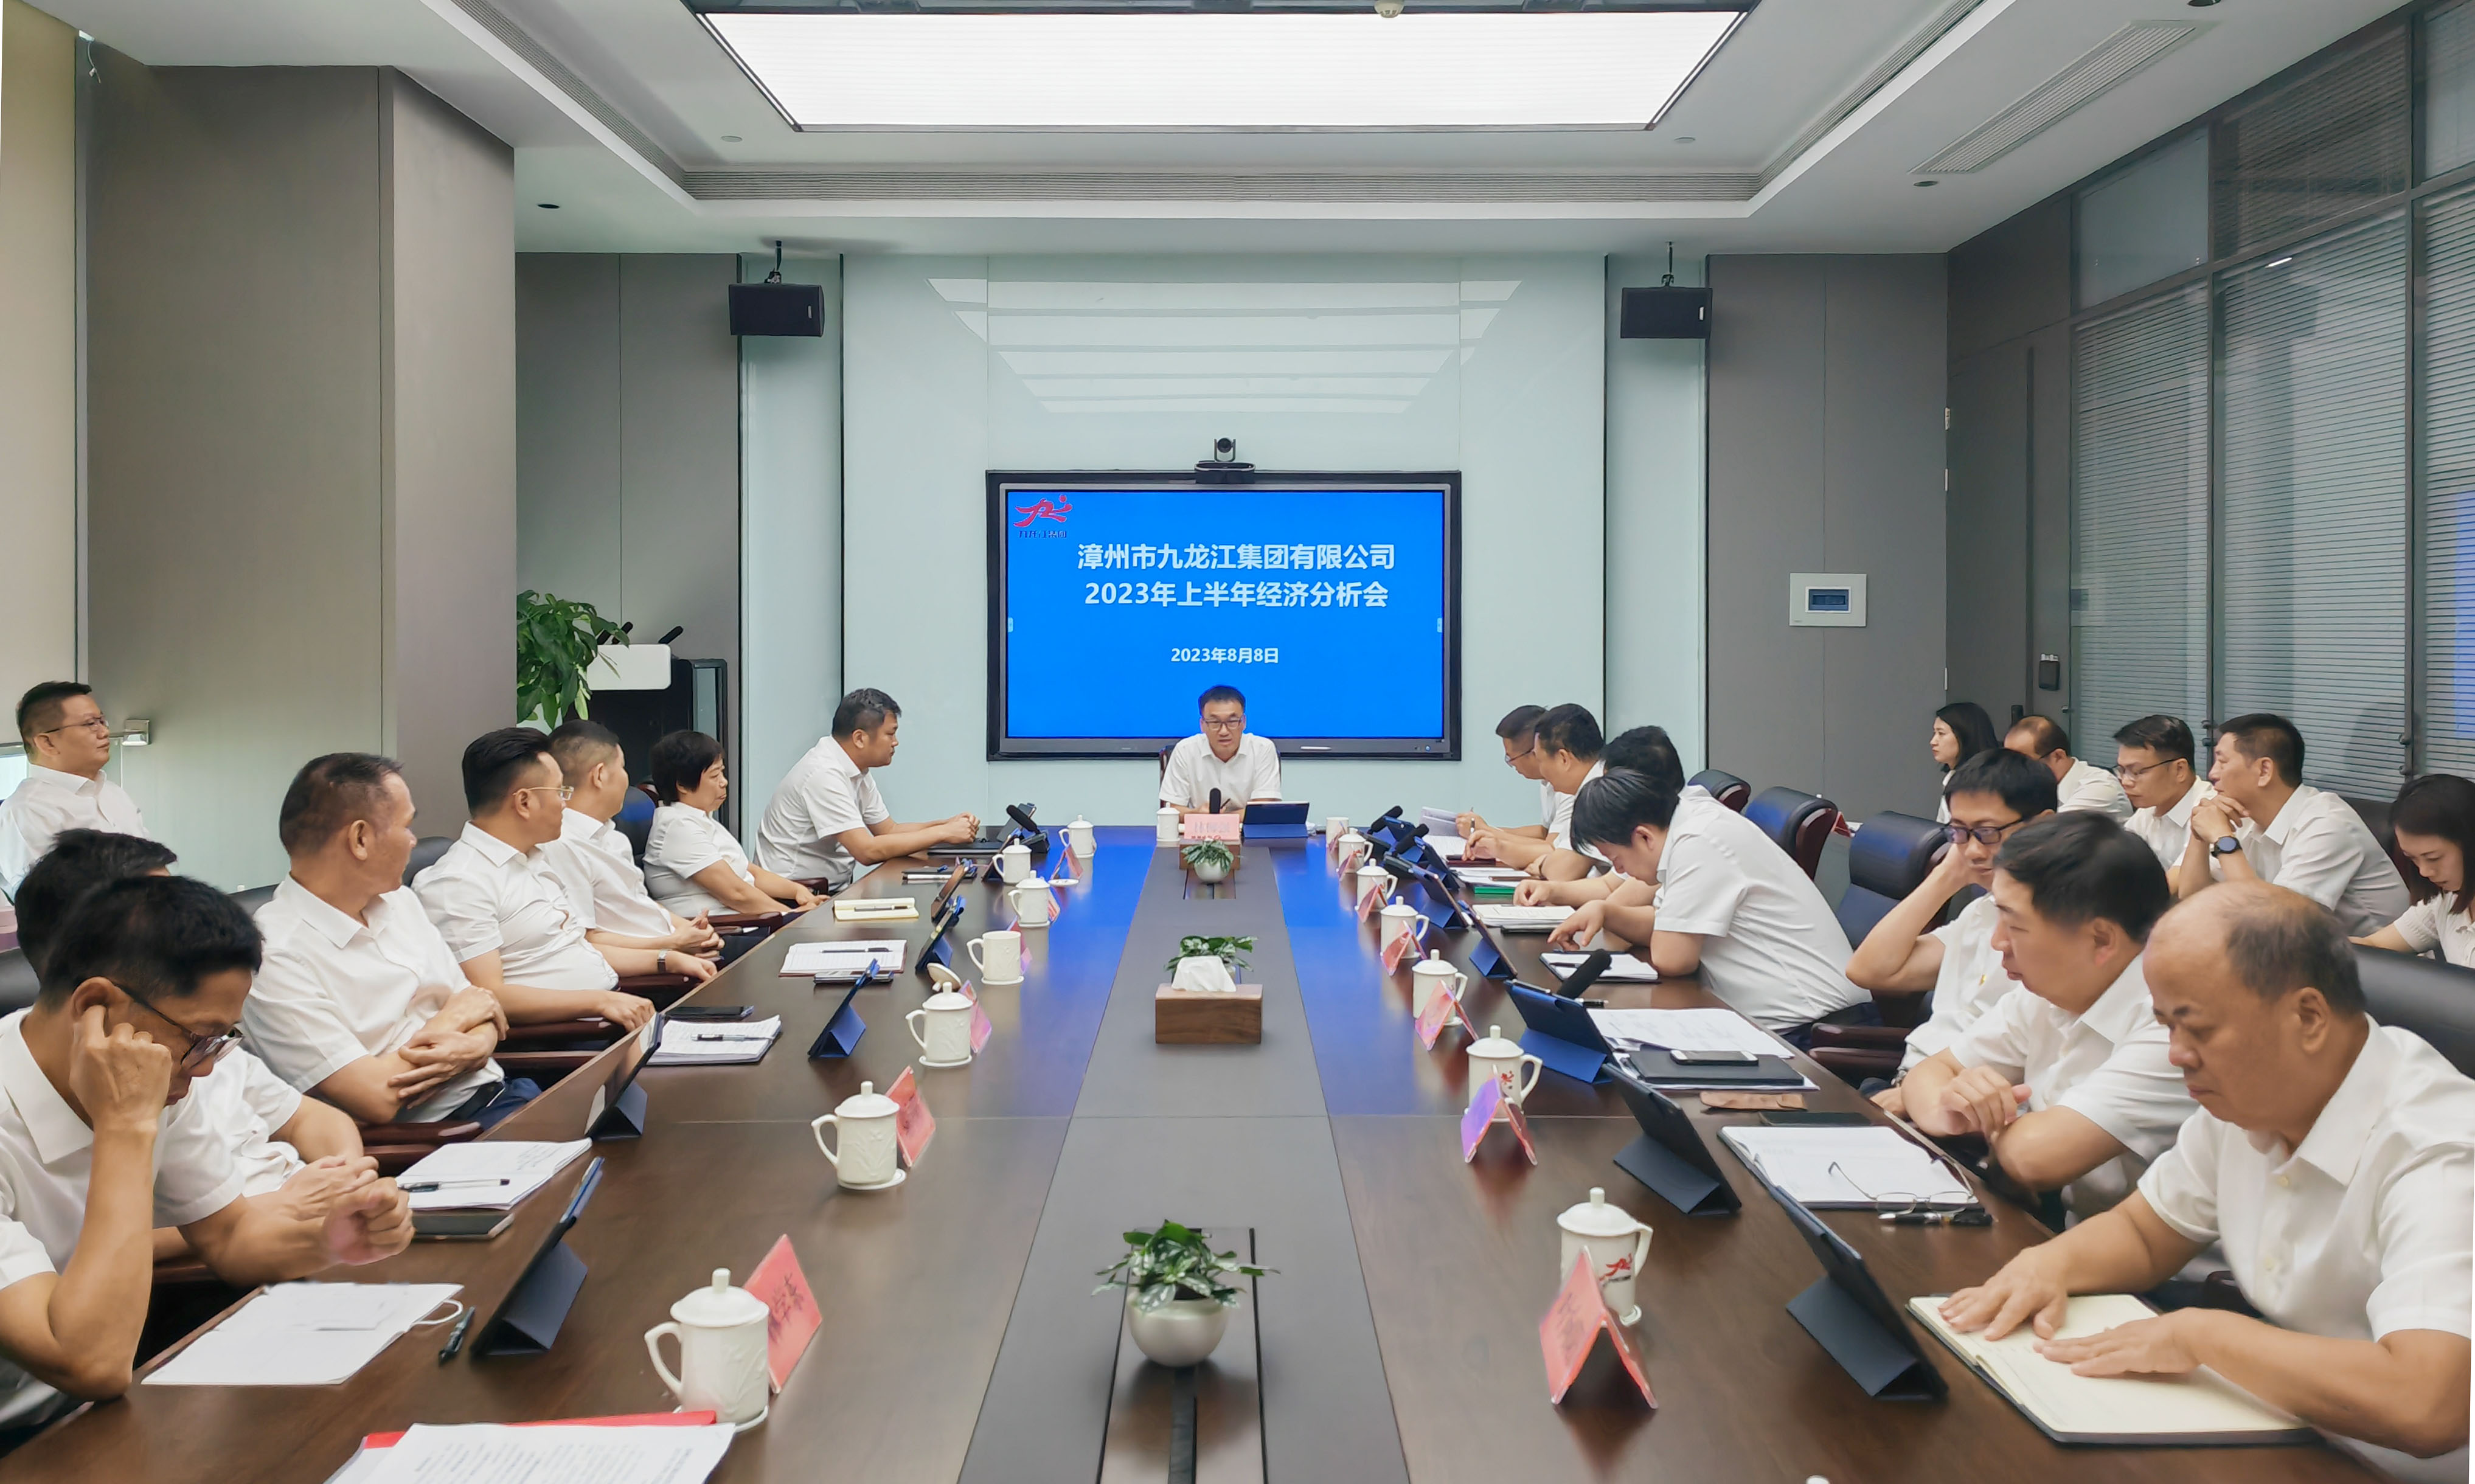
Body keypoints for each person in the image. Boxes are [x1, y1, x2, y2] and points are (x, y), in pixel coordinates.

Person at [1939, 885, 2470, 1481]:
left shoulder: (2442, 1151)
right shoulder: (2252, 1098)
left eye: (2196, 1029)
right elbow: (2145, 1233)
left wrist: (2202, 1336)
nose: (2176, 1055)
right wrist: (2046, 1265)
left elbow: (2426, 1405)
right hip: (2289, 1426)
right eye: (2165, 1026)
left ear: (2308, 1017)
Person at [0, 876, 412, 1427]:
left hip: (101, 1407)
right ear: (95, 1005)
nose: (208, 1068)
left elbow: (229, 1235)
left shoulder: (158, 1073)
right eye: (198, 1038)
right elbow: (91, 1365)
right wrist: (125, 1127)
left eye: (220, 1041)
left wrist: (329, 1238)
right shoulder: (134, 1092)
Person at [12, 832, 362, 1246]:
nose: (188, 925)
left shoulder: (185, 1046)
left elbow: (226, 1232)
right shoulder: (151, 1061)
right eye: (161, 910)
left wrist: (348, 1204)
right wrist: (275, 1209)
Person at [1899, 814, 2192, 1220]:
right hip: (2068, 1231)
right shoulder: (2046, 992)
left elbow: (2035, 1159)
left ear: (2101, 939)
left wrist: (1989, 1120)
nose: (1997, 942)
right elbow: (1929, 1073)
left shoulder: (2174, 1025)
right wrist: (1951, 1109)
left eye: (2014, 925)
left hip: (2147, 1257)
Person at [249, 754, 553, 1129]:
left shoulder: (399, 901)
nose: (413, 841)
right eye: (407, 826)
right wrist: (454, 1020)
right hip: (441, 1138)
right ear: (360, 839)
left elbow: (482, 1004)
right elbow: (376, 1097)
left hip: (506, 1092)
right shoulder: (275, 954)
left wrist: (479, 1045)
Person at [1556, 768, 1873, 1044]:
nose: (1621, 871)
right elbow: (1670, 923)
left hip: (1813, 1030)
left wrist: (1616, 910)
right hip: (1781, 1022)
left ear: (1644, 837)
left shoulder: (1699, 841)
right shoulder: (1689, 823)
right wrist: (1607, 912)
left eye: (1617, 860)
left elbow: (1672, 958)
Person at [413, 728, 698, 1007]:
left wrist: (666, 959)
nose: (565, 804)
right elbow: (488, 997)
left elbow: (580, 947)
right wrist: (600, 1002)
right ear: (524, 802)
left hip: (612, 1004)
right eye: (560, 792)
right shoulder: (459, 883)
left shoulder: (535, 858)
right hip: (576, 1029)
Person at [1844, 749, 2057, 1092]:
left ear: (2043, 826)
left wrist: (1914, 1097)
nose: (1972, 850)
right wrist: (1946, 877)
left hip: (1961, 1102)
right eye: (1959, 832)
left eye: (1987, 832)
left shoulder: (2062, 929)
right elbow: (1868, 970)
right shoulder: (1981, 913)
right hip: (1910, 1084)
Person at [2180, 713, 2410, 935]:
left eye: (2222, 762)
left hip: (2376, 957)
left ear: (2264, 770)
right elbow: (2192, 899)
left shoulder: (2327, 824)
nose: (2212, 774)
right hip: (2296, 950)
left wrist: (2223, 840)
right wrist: (2199, 835)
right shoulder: (2242, 814)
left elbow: (2275, 922)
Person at [536, 721, 728, 962]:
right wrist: (672, 945)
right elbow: (586, 940)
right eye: (622, 767)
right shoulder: (563, 843)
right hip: (655, 965)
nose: (626, 778)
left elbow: (641, 904)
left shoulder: (612, 836)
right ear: (600, 775)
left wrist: (694, 931)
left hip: (675, 949)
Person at [756, 689, 979, 890]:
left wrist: (947, 824)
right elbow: (867, 851)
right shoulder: (823, 774)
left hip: (828, 890)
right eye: (890, 734)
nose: (895, 742)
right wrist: (943, 834)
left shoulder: (855, 768)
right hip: (792, 899)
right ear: (860, 738)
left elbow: (889, 830)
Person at [643, 730, 820, 917]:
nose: (724, 782)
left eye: (722, 772)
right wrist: (793, 916)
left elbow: (751, 873)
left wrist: (797, 891)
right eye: (714, 776)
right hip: (724, 928)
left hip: (750, 921)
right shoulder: (677, 827)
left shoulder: (700, 819)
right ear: (682, 785)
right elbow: (736, 894)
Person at [1513, 725, 1690, 909]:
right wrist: (1550, 891)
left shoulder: (1686, 834)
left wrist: (1601, 913)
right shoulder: (1665, 819)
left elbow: (1620, 899)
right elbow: (1609, 885)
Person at [0, 683, 145, 900]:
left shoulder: (112, 793)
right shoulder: (27, 810)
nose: (104, 732)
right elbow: (46, 905)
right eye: (90, 724)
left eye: (102, 721)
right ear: (47, 743)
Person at [2356, 773, 2475, 968]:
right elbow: (2373, 946)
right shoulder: (2444, 901)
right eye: (2413, 859)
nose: (2424, 872)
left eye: (2434, 858)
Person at [1455, 705, 1556, 872]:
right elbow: (1545, 833)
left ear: (1535, 752)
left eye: (1511, 758)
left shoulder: (1568, 787)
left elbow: (1553, 848)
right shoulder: (1546, 782)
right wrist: (1488, 832)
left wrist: (1487, 833)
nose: (1512, 765)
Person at [1159, 685, 1282, 817]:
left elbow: (1263, 810)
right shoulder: (1185, 750)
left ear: (1244, 722)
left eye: (1232, 721)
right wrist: (1197, 813)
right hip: (1201, 827)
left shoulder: (1263, 749)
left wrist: (1220, 821)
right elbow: (1172, 810)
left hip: (1247, 830)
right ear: (1202, 725)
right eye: (1215, 722)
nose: (1224, 731)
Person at [2112, 714, 2212, 874]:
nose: (2126, 781)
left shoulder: (2210, 810)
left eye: (2137, 771)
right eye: (2122, 770)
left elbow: (2178, 883)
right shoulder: (2148, 808)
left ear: (2179, 770)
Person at [1527, 704, 1608, 882]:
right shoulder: (1587, 788)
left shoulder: (1601, 794)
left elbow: (1561, 871)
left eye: (1540, 761)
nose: (1541, 771)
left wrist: (1543, 864)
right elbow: (1557, 850)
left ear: (1563, 759)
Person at [2005, 715, 2131, 820]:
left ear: (2058, 756)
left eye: (2024, 763)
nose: (2014, 770)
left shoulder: (2101, 787)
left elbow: (2044, 833)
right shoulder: (2031, 787)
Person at [1930, 701, 2001, 823]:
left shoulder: (1983, 784)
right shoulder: (1953, 777)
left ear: (1965, 736)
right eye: (1934, 733)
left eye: (1941, 733)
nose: (1933, 742)